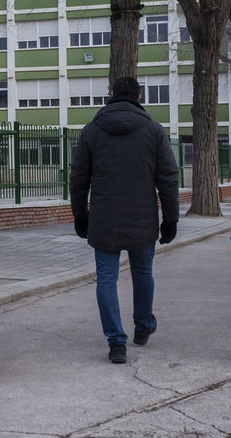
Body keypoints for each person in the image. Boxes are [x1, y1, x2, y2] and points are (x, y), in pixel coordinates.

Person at [69, 76, 180, 364]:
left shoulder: (92, 130)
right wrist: (170, 220)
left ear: (111, 94)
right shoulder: (153, 131)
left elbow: (78, 178)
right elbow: (167, 178)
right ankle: (143, 326)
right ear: (139, 97)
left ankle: (116, 342)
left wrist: (80, 216)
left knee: (106, 278)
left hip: (103, 218)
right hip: (143, 217)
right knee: (142, 273)